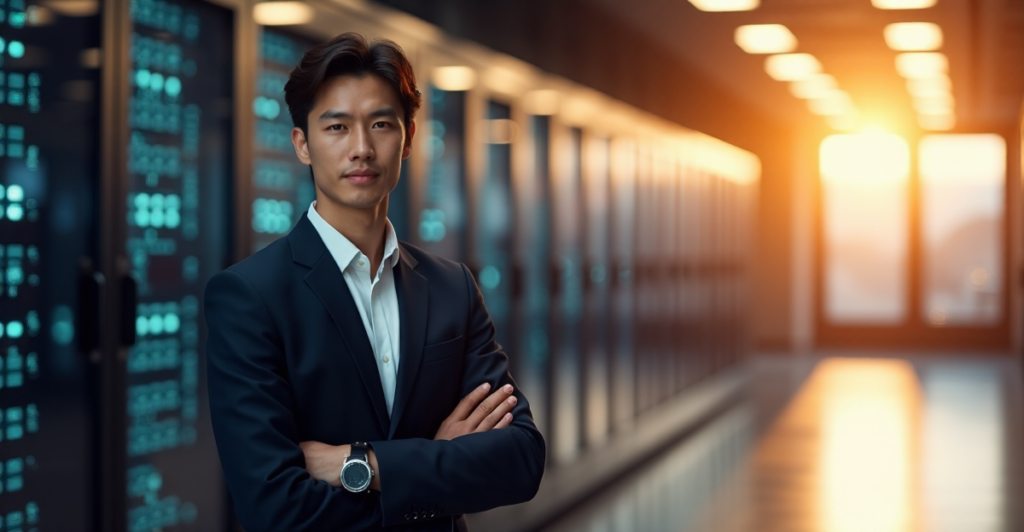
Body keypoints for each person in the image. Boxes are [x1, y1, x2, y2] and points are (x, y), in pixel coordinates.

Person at [204, 32, 546, 532]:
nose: (361, 148)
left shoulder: (452, 287)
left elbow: (520, 460)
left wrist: (358, 463)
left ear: (408, 138)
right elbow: (275, 508)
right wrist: (435, 462)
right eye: (337, 127)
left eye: (381, 124)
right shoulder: (250, 297)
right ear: (302, 144)